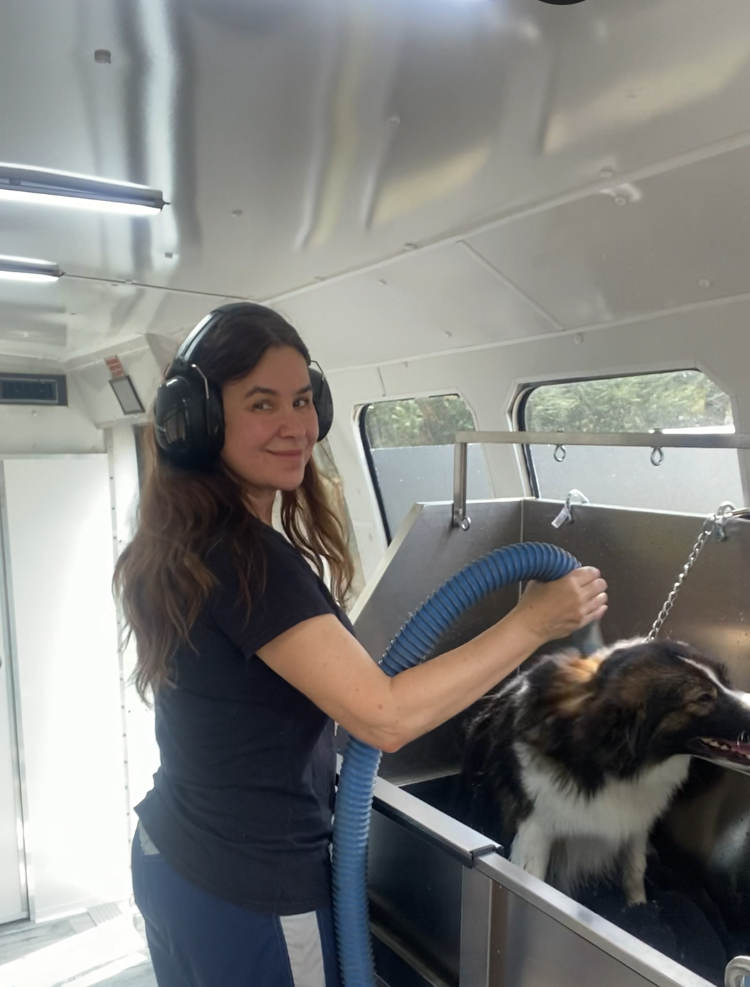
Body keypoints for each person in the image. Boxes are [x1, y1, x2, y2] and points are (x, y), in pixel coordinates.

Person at [114, 303, 607, 987]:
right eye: (262, 403)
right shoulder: (248, 558)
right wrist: (532, 622)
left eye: (302, 399)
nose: (296, 425)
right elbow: (383, 715)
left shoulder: (186, 541)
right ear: (197, 422)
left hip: (176, 856)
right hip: (251, 893)